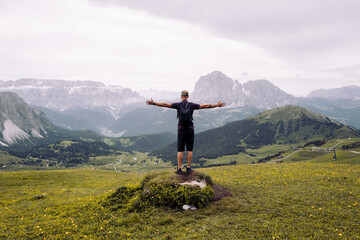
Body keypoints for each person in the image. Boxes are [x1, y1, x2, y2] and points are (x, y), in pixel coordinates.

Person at [146, 90, 226, 174]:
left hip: (181, 130)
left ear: (181, 96)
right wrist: (217, 105)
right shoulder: (192, 105)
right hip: (190, 129)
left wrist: (153, 103)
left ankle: (179, 168)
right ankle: (188, 167)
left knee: (180, 150)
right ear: (187, 97)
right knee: (189, 150)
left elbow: (165, 105)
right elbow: (206, 106)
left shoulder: (177, 105)